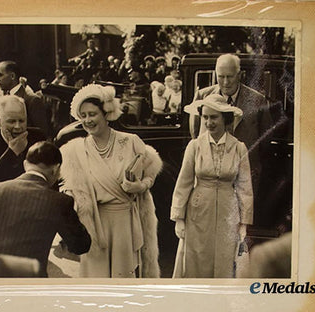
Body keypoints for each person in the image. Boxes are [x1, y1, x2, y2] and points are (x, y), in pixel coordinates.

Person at [59, 84, 162, 278]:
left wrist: (141, 186)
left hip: (125, 222)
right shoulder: (74, 150)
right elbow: (71, 187)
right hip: (94, 225)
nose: (87, 120)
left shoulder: (131, 141)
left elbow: (152, 170)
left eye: (92, 114)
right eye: (83, 116)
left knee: (124, 283)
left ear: (106, 113)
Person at [171, 94, 253, 278]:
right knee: (197, 256)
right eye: (205, 117)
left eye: (214, 117)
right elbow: (183, 183)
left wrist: (244, 223)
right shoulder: (195, 146)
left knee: (225, 256)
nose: (209, 122)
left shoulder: (239, 148)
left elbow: (244, 188)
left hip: (228, 210)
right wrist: (179, 218)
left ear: (225, 119)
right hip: (199, 210)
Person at [0, 141, 91, 277]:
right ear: (56, 169)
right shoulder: (59, 202)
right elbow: (80, 245)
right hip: (29, 280)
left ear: (25, 165)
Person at [190, 53, 273, 208]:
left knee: (239, 223)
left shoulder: (257, 100)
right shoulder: (202, 96)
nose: (226, 82)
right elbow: (195, 132)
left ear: (240, 75)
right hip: (211, 177)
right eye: (221, 77)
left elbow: (265, 139)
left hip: (245, 175)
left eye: (230, 76)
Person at [0, 95, 45, 186]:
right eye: (12, 121)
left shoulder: (37, 137)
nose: (18, 127)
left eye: (22, 121)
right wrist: (12, 153)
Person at [0, 60, 50, 137]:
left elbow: (41, 134)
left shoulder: (32, 100)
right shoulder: (2, 99)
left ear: (12, 76)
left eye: (0, 75)